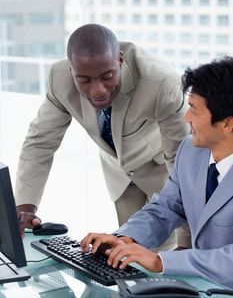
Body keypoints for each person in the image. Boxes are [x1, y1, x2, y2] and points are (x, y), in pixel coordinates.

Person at [15, 23, 189, 249]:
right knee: (129, 256)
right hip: (120, 173)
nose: (97, 90)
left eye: (107, 76)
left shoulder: (161, 82)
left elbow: (183, 162)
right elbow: (40, 143)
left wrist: (187, 243)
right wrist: (24, 207)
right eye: (84, 80)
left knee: (166, 256)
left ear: (120, 59)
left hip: (163, 171)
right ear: (71, 69)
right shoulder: (60, 80)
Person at [81, 56, 233, 289]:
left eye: (193, 109)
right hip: (203, 287)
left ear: (227, 123)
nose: (186, 118)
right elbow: (166, 207)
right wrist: (125, 239)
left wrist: (160, 261)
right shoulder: (190, 151)